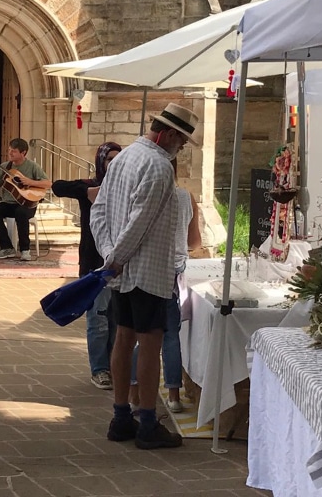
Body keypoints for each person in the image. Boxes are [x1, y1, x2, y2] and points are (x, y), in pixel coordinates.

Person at [90, 102, 199, 450]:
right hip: (146, 270)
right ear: (166, 134)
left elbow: (100, 210)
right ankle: (147, 422)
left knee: (123, 337)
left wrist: (109, 254)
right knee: (149, 343)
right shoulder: (158, 165)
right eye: (181, 141)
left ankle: (122, 416)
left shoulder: (124, 157)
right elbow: (141, 220)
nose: (180, 148)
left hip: (122, 269)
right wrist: (117, 258)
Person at [128, 156, 202, 412]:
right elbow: (195, 242)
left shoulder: (141, 195)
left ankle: (135, 395)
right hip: (173, 269)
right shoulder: (185, 197)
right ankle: (173, 396)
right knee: (171, 334)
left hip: (146, 269)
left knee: (140, 333)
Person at [52, 142, 122, 390]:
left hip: (121, 263)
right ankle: (100, 370)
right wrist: (85, 189)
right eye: (109, 159)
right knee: (98, 319)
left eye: (118, 158)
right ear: (101, 162)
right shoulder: (92, 187)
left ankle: (115, 366)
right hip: (95, 262)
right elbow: (57, 187)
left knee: (116, 320)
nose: (113, 163)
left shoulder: (124, 188)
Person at [0, 138, 49, 261]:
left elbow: (48, 183)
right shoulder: (4, 167)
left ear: (23, 153)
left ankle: (25, 250)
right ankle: (7, 248)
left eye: (13, 151)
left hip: (28, 204)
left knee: (21, 212)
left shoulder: (32, 166)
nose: (10, 153)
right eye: (9, 150)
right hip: (8, 203)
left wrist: (29, 181)